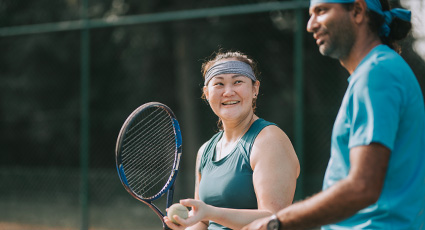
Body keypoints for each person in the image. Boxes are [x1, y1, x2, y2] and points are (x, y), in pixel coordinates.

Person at [243, 0, 425, 229]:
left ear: (357, 11)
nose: (310, 25)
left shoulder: (377, 73)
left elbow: (362, 187)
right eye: (310, 14)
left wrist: (276, 222)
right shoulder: (377, 71)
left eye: (321, 11)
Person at [163, 51, 300, 230]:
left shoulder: (269, 140)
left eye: (238, 82)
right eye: (219, 84)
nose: (228, 92)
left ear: (255, 89)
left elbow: (274, 220)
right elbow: (202, 221)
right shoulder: (205, 151)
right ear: (206, 93)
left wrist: (210, 212)